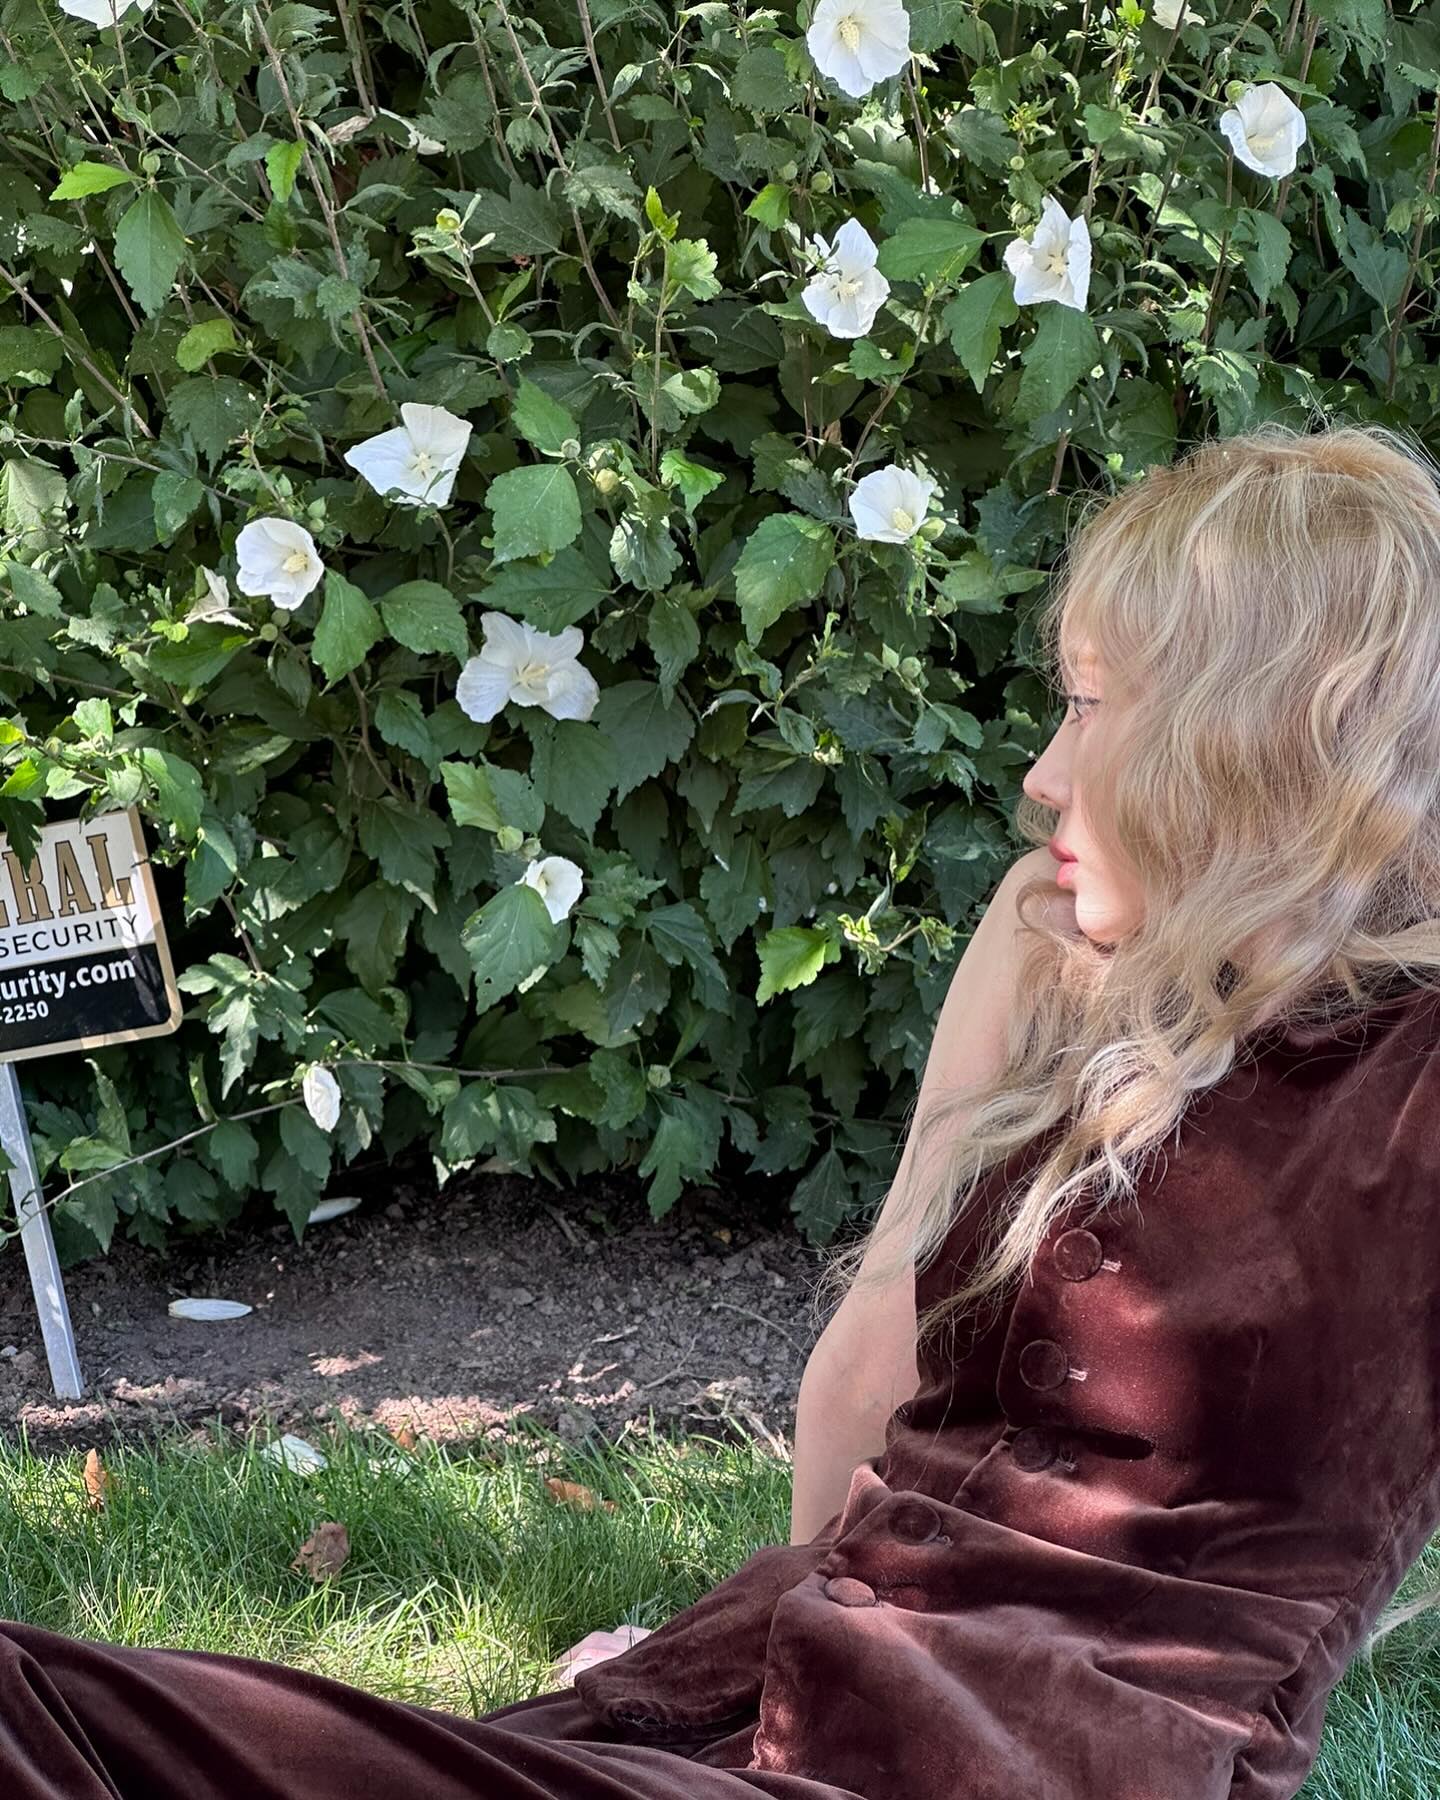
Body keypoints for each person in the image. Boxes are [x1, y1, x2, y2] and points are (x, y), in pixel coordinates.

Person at [5, 420, 1440, 1799]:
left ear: (1252, 737)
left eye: (1092, 706)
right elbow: (875, 1341)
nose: (1040, 777)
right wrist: (743, 1672)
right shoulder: (1047, 937)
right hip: (783, 1708)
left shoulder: (1413, 1079)